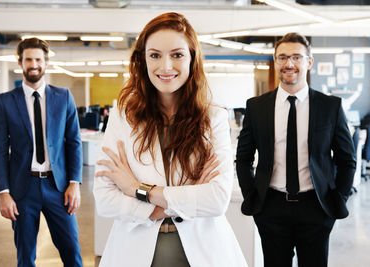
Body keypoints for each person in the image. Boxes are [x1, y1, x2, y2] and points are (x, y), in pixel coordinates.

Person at [93, 12, 247, 267]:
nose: (165, 66)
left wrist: (137, 190)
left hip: (203, 252)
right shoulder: (123, 117)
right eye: (155, 55)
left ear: (192, 59)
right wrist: (184, 199)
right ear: (143, 60)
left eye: (177, 55)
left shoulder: (213, 117)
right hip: (134, 253)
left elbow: (217, 199)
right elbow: (105, 200)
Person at [236, 32, 356, 267]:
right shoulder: (257, 107)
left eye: (296, 57)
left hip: (316, 207)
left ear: (309, 62)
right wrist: (252, 196)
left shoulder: (330, 107)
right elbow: (243, 159)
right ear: (275, 61)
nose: (289, 64)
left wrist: (337, 199)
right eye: (282, 57)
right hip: (271, 207)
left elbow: (347, 160)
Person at [0, 37, 83, 267]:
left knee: (72, 251)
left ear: (46, 62)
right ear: (20, 62)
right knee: (25, 256)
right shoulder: (5, 101)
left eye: (38, 59)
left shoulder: (63, 97)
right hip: (23, 190)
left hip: (58, 187)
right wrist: (3, 192)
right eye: (28, 59)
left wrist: (75, 182)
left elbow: (74, 142)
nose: (34, 64)